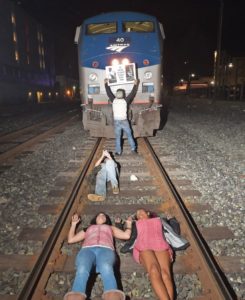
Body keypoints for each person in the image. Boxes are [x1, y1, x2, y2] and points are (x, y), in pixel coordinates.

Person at [63, 212, 132, 300]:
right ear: (95, 218)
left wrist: (129, 224)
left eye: (104, 216)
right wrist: (73, 224)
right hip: (87, 250)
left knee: (106, 268)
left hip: (106, 249)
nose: (101, 216)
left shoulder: (110, 228)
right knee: (82, 269)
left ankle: (112, 296)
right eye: (99, 215)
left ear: (107, 220)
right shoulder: (88, 228)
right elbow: (71, 239)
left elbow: (126, 235)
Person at [132, 209, 174, 300]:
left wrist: (172, 220)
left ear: (148, 213)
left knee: (165, 274)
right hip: (143, 246)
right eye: (137, 214)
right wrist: (124, 225)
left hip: (160, 244)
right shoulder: (135, 224)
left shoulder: (159, 220)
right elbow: (128, 237)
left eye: (141, 212)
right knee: (153, 270)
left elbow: (174, 231)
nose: (139, 214)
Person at [104, 78, 139, 155]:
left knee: (118, 137)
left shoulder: (113, 100)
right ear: (123, 95)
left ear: (116, 94)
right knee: (129, 135)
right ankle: (133, 149)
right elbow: (132, 93)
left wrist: (106, 84)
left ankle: (118, 151)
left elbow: (108, 92)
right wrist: (135, 85)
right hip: (124, 121)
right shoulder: (125, 101)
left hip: (116, 121)